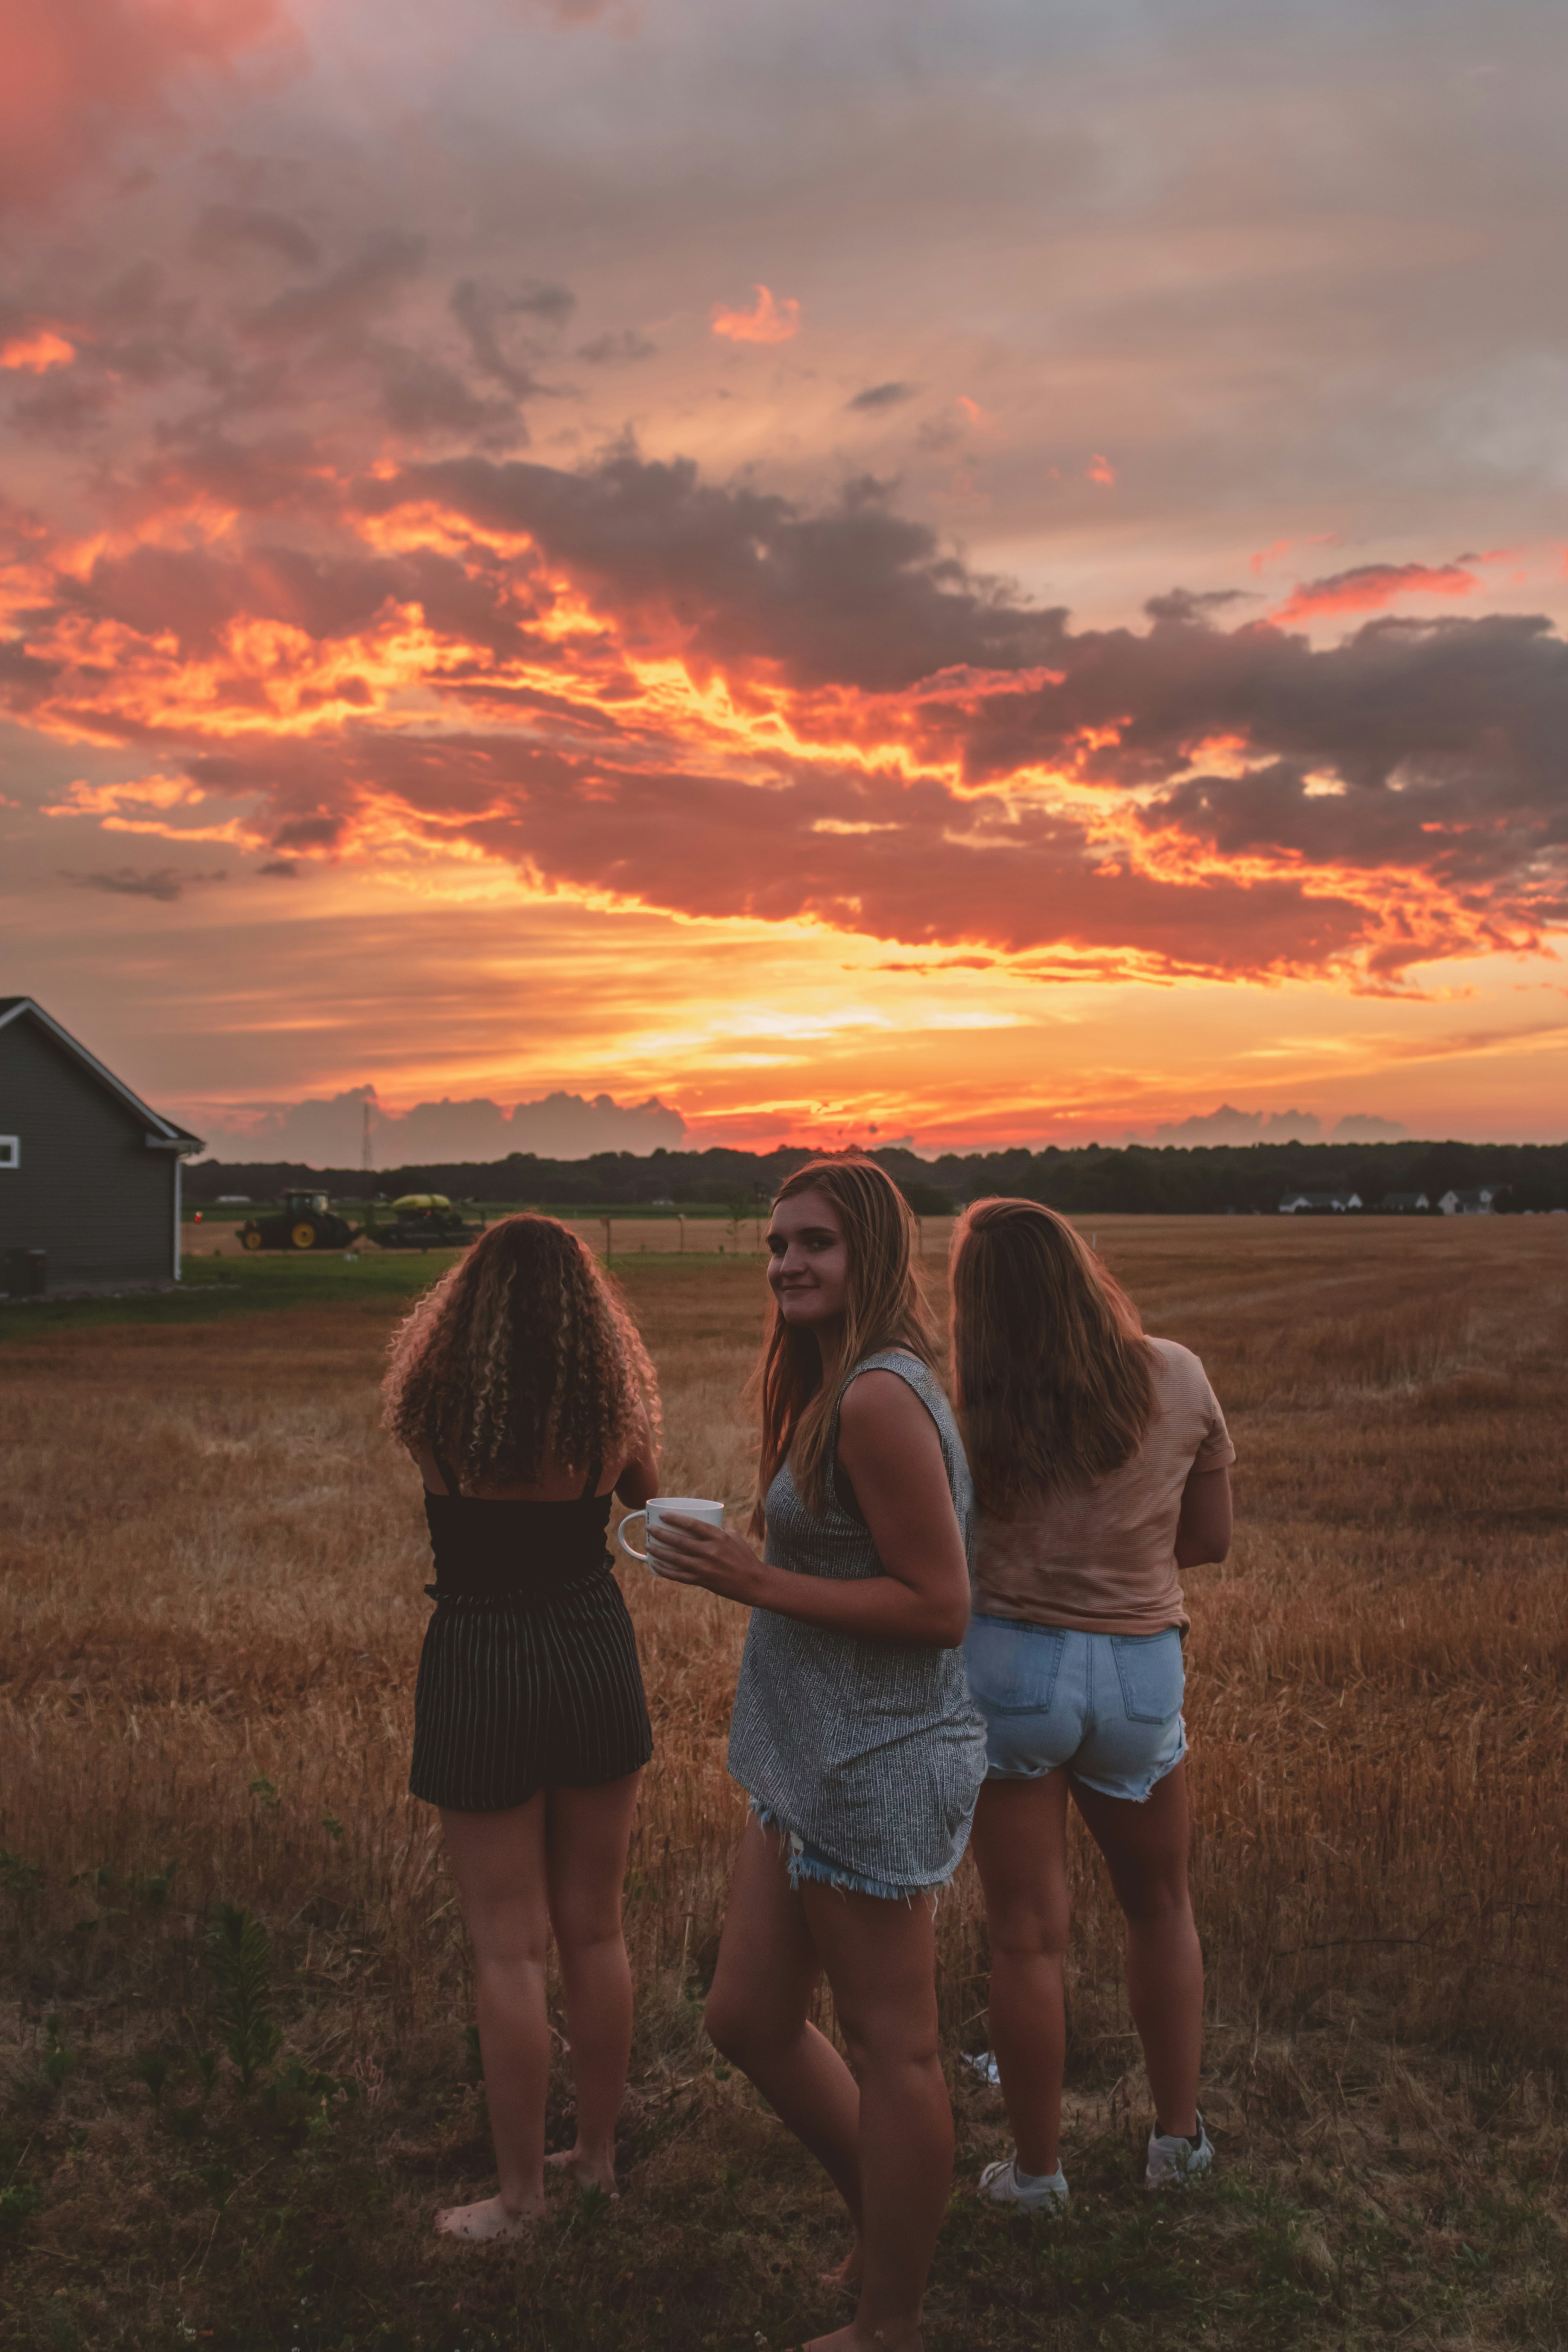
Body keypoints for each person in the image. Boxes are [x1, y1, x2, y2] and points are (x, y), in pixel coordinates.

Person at [648, 1158, 985, 2352]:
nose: (788, 1262)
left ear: (872, 1257)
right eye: (777, 1244)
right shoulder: (837, 1384)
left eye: (815, 1244)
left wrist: (757, 1579)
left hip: (878, 1760)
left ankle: (891, 2319)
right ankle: (894, 2219)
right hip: (808, 1756)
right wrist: (752, 1559)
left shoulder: (878, 1399)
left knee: (896, 2047)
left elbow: (941, 1607)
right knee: (746, 2017)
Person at [948, 1198, 1234, 2212]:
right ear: (1082, 1268)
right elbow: (1209, 1540)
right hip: (1139, 1668)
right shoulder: (1179, 1375)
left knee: (1026, 1937)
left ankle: (1036, 2175)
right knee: (1160, 1906)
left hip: (1009, 1670)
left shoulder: (966, 1404)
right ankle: (1177, 2142)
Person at [382, 1213, 661, 2240]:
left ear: (465, 1307)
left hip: (483, 1649)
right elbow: (655, 1504)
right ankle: (592, 2162)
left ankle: (520, 2200)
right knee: (596, 1927)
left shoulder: (432, 1409)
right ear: (590, 1317)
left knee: (509, 1949)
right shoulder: (608, 1416)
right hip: (592, 1645)